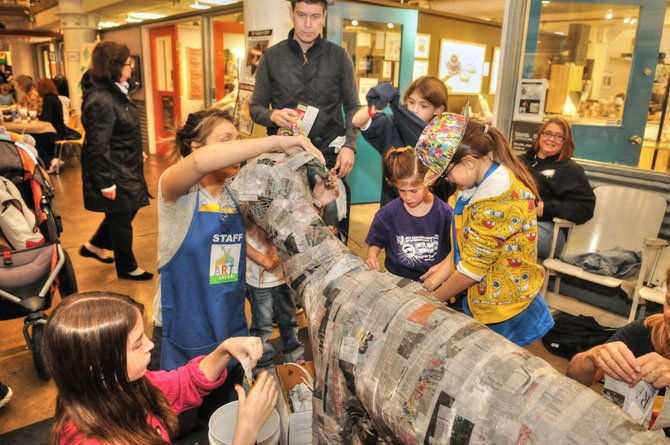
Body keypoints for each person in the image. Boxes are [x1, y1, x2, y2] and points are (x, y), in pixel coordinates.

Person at [151, 108, 326, 377]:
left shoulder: (237, 194)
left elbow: (291, 227)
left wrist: (319, 200)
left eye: (238, 140)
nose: (237, 149)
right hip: (183, 331)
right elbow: (199, 164)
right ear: (196, 146)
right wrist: (277, 142)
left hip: (228, 328)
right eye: (226, 141)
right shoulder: (177, 192)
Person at [43, 291, 278, 445]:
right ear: (101, 366)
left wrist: (224, 350)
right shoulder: (90, 439)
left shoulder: (126, 386)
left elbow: (184, 382)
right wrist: (247, 429)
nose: (150, 344)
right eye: (137, 344)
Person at [417, 114, 554, 347]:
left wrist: (429, 302)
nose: (448, 180)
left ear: (468, 162)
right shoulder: (474, 183)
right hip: (485, 298)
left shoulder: (497, 202)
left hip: (505, 310)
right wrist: (438, 275)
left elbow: (472, 270)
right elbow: (469, 244)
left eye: (446, 173)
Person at [249, 0, 359, 240]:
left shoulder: (339, 57)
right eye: (302, 15)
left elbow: (353, 107)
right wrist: (272, 115)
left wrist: (350, 146)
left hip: (328, 159)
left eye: (315, 17)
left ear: (325, 16)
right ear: (291, 13)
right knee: (286, 236)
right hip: (285, 161)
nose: (308, 24)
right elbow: (255, 108)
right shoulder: (271, 57)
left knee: (330, 237)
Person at [79, 41, 153, 281]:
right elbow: (97, 145)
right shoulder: (102, 98)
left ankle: (94, 245)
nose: (131, 68)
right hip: (113, 169)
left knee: (124, 211)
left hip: (124, 163)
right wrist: (106, 182)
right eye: (127, 64)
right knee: (121, 215)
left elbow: (122, 129)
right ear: (114, 66)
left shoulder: (116, 90)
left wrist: (136, 150)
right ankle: (127, 267)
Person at [566, 270, 670, 391]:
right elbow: (573, 378)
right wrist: (592, 357)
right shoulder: (645, 329)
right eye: (669, 302)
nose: (668, 314)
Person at [353, 77, 449, 206]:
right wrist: (374, 105)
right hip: (394, 210)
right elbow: (357, 121)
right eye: (411, 102)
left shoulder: (444, 138)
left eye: (423, 106)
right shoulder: (392, 126)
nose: (414, 109)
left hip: (431, 212)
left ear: (438, 110)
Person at [365, 146, 452, 282]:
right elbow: (376, 241)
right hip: (396, 280)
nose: (407, 197)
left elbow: (456, 251)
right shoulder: (387, 214)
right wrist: (372, 256)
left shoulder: (446, 214)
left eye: (414, 191)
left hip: (433, 280)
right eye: (401, 190)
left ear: (429, 181)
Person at [522, 117, 595, 259]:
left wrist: (546, 208)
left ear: (565, 142)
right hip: (514, 220)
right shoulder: (520, 161)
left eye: (559, 136)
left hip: (547, 228)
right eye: (547, 133)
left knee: (507, 235)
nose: (551, 139)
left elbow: (585, 208)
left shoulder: (570, 170)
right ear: (540, 136)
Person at [246, 220, 305, 371]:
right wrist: (263, 259)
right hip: (258, 278)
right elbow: (237, 237)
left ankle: (294, 355)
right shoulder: (244, 204)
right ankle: (264, 365)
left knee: (289, 319)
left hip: (283, 274)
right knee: (262, 327)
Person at [36, 78, 67, 173]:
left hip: (54, 131)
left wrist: (38, 117)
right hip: (61, 129)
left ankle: (50, 161)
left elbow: (47, 117)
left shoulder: (48, 99)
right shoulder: (55, 97)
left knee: (35, 140)